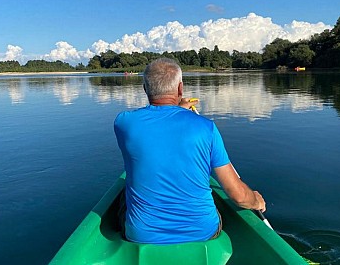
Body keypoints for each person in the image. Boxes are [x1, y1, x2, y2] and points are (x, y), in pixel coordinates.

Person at [114, 57, 266, 244]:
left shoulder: (123, 123)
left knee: (123, 192)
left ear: (145, 89)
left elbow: (159, 122)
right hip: (203, 231)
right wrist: (256, 200)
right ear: (180, 88)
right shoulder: (206, 127)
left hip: (141, 235)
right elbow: (239, 196)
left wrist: (177, 109)